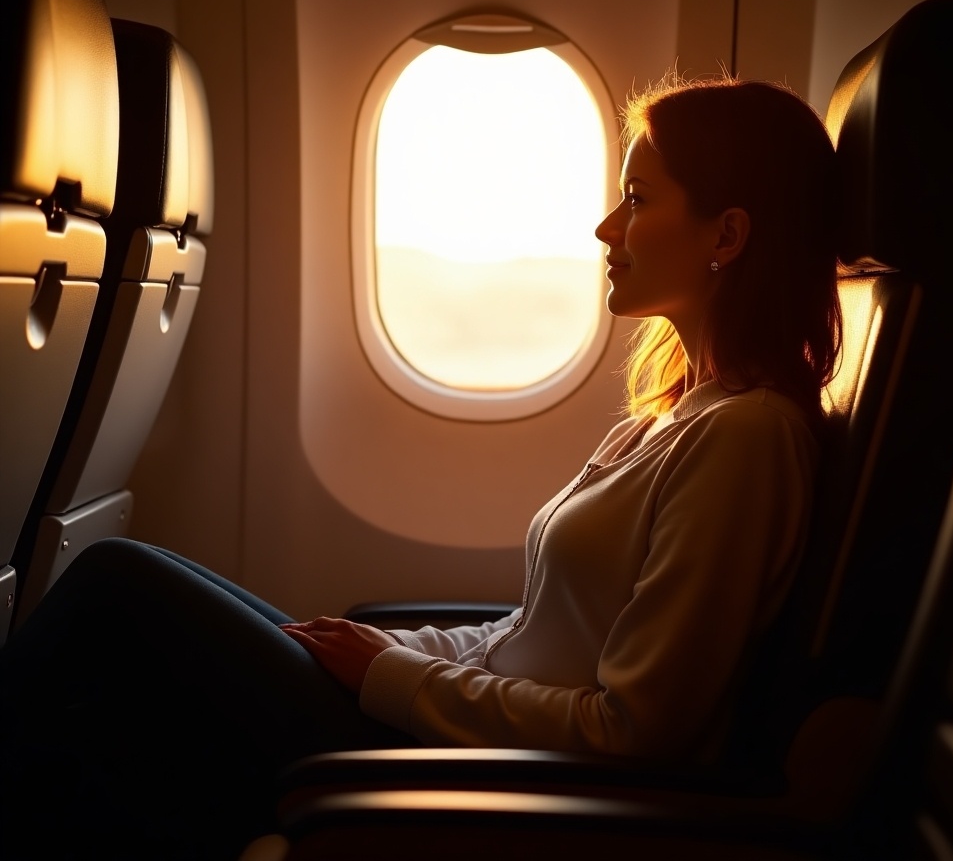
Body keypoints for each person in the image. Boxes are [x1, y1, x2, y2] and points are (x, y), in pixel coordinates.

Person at [0, 76, 841, 858]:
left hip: (490, 771)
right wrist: (394, 649)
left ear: (726, 234)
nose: (606, 229)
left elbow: (636, 734)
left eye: (637, 200)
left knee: (120, 587)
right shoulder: (677, 414)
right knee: (125, 709)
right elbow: (527, 635)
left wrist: (393, 675)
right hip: (450, 722)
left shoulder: (746, 441)